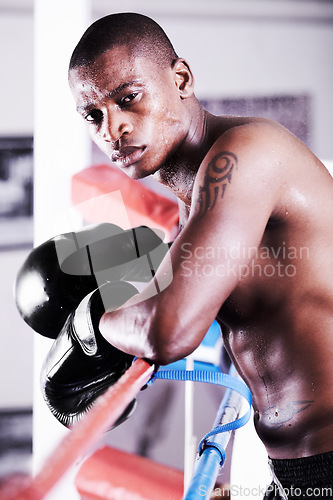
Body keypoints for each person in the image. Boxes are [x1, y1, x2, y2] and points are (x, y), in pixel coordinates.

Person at [37, 11, 333, 499]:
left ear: (180, 78)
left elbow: (168, 329)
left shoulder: (244, 156)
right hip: (296, 471)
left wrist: (89, 326)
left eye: (127, 98)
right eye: (93, 116)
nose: (113, 128)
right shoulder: (194, 202)